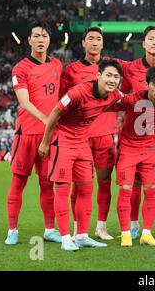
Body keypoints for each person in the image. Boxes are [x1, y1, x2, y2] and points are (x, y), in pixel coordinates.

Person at [38, 59, 123, 251]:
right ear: (98, 75)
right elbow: (54, 114)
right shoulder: (77, 92)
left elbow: (132, 99)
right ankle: (66, 237)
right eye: (108, 75)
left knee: (86, 189)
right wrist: (45, 141)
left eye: (116, 77)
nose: (112, 79)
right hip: (63, 141)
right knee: (62, 189)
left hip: (82, 142)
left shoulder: (114, 95)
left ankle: (82, 235)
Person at [116, 25, 155, 241]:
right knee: (135, 181)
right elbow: (123, 95)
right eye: (150, 39)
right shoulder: (130, 68)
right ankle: (134, 225)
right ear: (143, 44)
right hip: (137, 134)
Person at [5, 20, 62, 246]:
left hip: (49, 135)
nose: (40, 39)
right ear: (29, 40)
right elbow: (23, 101)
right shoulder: (20, 68)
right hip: (26, 133)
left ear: (49, 40)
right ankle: (12, 231)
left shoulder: (57, 65)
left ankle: (49, 229)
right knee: (18, 182)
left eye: (44, 36)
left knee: (48, 184)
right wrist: (46, 120)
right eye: (36, 35)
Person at [60, 26, 118, 240]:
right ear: (83, 43)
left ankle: (101, 227)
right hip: (79, 136)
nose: (94, 42)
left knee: (104, 182)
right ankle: (78, 229)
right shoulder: (71, 71)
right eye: (90, 39)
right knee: (79, 184)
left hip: (105, 134)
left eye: (98, 39)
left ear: (103, 44)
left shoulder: (112, 68)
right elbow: (61, 102)